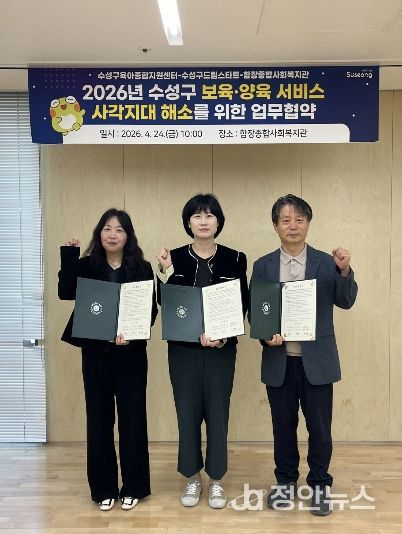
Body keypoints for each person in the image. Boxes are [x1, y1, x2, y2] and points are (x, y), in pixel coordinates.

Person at [251, 194, 358, 516]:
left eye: (299, 219)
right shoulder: (263, 265)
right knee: (282, 427)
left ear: (308, 223)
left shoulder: (327, 262)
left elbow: (346, 301)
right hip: (280, 362)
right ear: (275, 226)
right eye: (286, 220)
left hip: (317, 362)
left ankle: (320, 485)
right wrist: (264, 336)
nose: (293, 226)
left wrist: (344, 270)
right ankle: (285, 482)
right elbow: (258, 311)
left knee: (320, 428)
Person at [58, 208, 158, 512]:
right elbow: (65, 291)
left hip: (131, 355)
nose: (112, 235)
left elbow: (150, 310)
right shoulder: (86, 265)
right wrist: (69, 257)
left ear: (128, 236)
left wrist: (133, 334)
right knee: (99, 420)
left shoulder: (141, 268)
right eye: (107, 229)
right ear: (99, 233)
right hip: (96, 355)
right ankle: (103, 488)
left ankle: (134, 486)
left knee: (133, 420)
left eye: (119, 230)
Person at [156, 193, 248, 509]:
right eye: (197, 216)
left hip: (222, 351)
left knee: (218, 414)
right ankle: (192, 477)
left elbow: (242, 303)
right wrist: (164, 272)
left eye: (209, 215)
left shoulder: (235, 258)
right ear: (188, 223)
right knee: (187, 412)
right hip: (183, 351)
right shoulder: (174, 257)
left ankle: (217, 479)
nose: (204, 221)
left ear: (218, 222)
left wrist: (223, 337)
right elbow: (165, 302)